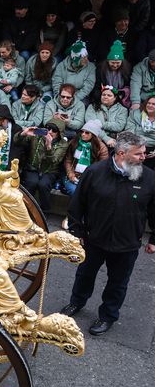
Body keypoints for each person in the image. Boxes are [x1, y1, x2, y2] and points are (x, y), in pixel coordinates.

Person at [61, 131, 155, 335]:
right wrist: (77, 231)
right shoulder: (95, 171)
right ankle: (76, 302)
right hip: (94, 239)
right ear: (121, 153)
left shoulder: (149, 177)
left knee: (118, 283)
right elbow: (78, 204)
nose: (143, 157)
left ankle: (107, 316)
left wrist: (154, 239)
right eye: (139, 154)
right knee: (85, 275)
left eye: (144, 153)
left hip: (127, 243)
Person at [19, 118, 68, 213]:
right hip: (33, 168)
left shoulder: (63, 144)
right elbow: (18, 142)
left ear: (59, 133)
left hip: (49, 171)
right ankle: (24, 209)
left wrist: (49, 147)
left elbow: (54, 161)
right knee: (31, 182)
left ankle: (43, 210)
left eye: (54, 130)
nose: (50, 132)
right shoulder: (37, 136)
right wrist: (23, 134)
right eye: (48, 128)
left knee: (43, 185)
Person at [61, 119, 108, 196]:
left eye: (87, 132)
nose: (83, 134)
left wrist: (89, 180)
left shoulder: (101, 148)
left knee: (88, 193)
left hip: (90, 178)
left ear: (93, 134)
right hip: (72, 176)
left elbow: (102, 168)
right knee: (74, 191)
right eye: (82, 131)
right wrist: (70, 174)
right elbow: (68, 160)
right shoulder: (74, 142)